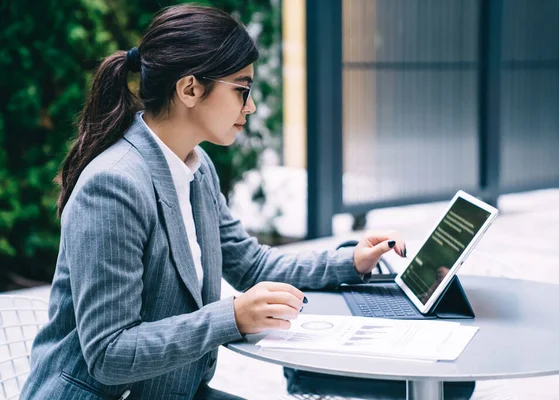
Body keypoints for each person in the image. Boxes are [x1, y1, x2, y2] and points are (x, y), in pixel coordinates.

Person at [21, 5, 406, 399]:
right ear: (189, 89)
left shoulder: (195, 166)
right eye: (241, 90)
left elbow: (252, 263)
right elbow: (109, 353)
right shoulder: (114, 185)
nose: (251, 107)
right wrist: (231, 317)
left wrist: (350, 261)